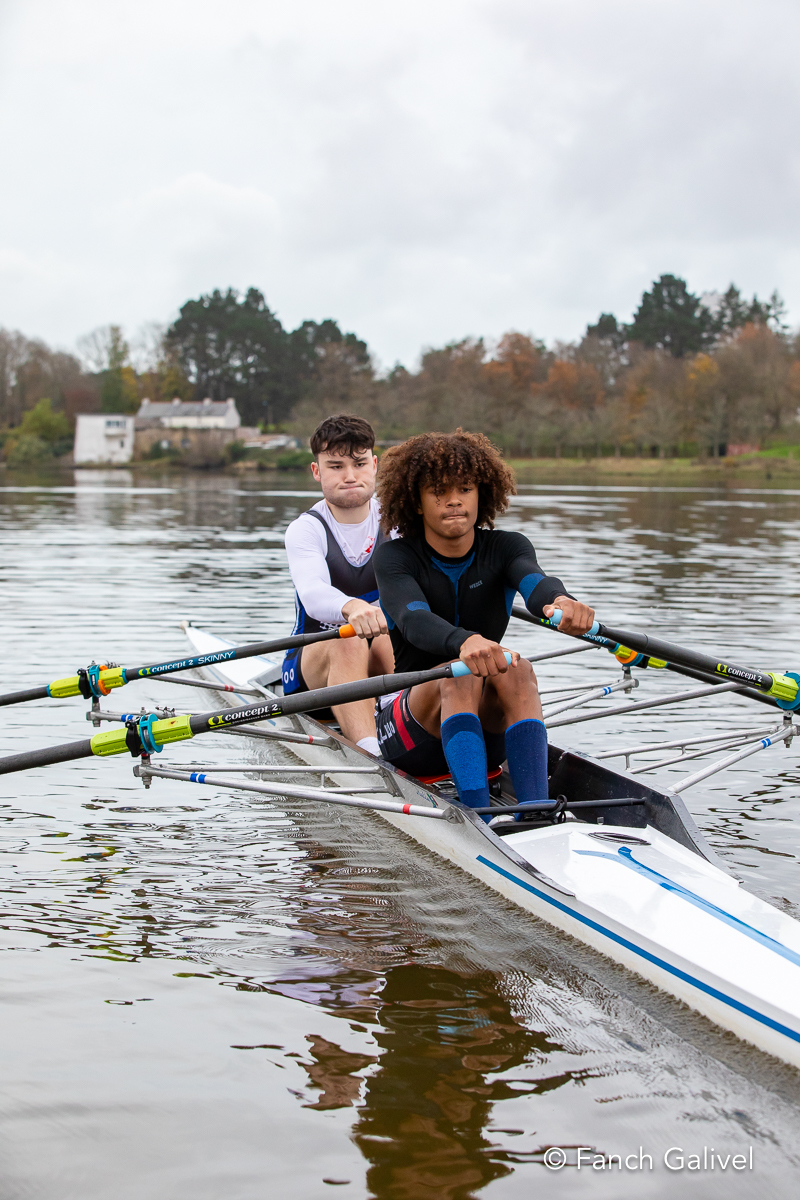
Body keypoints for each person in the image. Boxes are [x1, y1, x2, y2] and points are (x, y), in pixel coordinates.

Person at [372, 430, 595, 814]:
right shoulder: (395, 557)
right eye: (438, 491)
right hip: (410, 733)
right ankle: (478, 817)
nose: (454, 500)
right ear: (416, 502)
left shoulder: (507, 547)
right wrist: (465, 641)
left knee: (517, 668)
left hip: (486, 736)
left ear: (482, 495)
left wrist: (562, 601)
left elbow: (536, 583)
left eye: (465, 489)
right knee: (459, 673)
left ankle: (535, 810)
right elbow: (413, 619)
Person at [283, 414, 393, 755]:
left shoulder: (399, 523)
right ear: (317, 471)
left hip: (383, 654)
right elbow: (314, 595)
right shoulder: (305, 529)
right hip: (313, 667)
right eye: (336, 466)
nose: (350, 476)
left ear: (374, 465)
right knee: (348, 640)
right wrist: (353, 607)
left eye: (359, 464)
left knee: (395, 634)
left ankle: (405, 726)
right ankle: (373, 754)